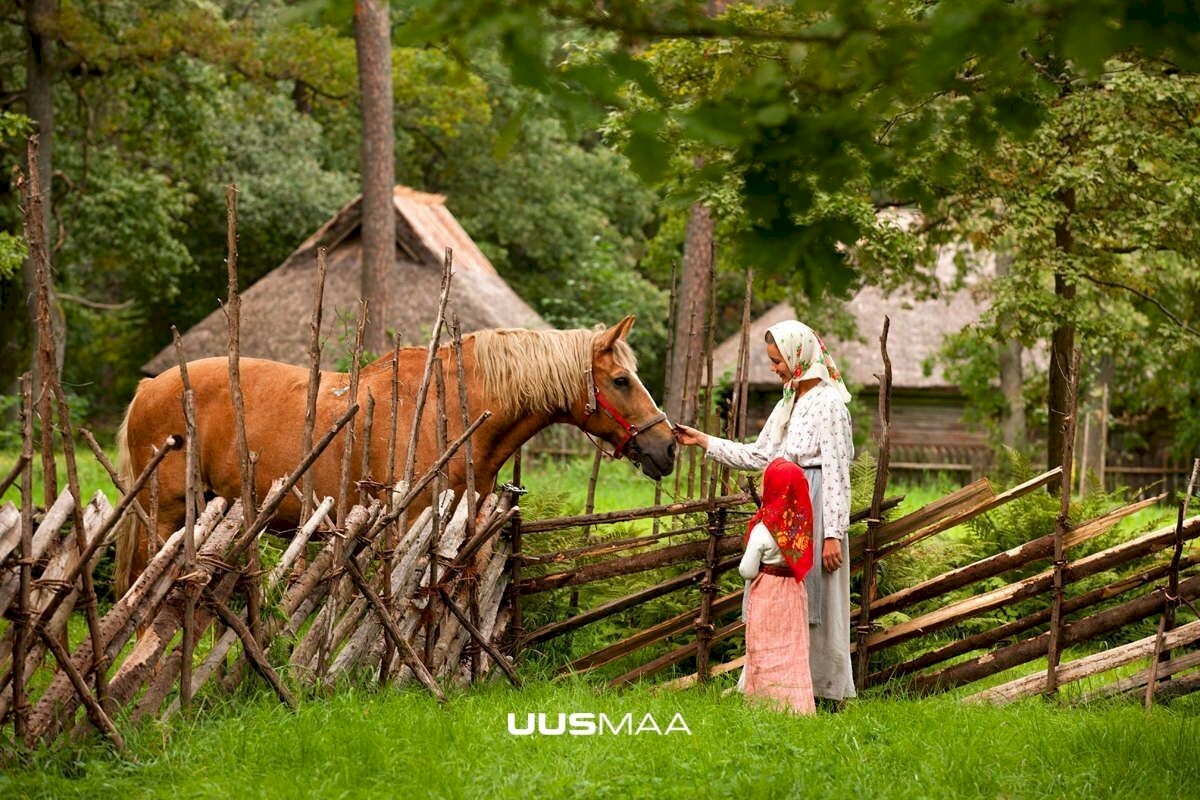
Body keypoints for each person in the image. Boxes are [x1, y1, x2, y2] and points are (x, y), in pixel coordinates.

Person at [674, 319, 856, 703]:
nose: (774, 369)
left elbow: (839, 470)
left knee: (815, 595)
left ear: (798, 357)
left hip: (815, 506)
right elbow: (759, 455)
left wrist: (833, 533)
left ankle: (822, 686)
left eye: (778, 362)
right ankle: (775, 682)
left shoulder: (830, 405)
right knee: (781, 591)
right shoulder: (788, 402)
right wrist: (704, 440)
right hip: (785, 503)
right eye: (773, 361)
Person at [739, 457, 816, 714]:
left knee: (765, 646)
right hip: (794, 592)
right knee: (793, 648)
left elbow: (747, 570)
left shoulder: (763, 530)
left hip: (768, 592)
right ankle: (797, 705)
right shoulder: (800, 527)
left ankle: (764, 703)